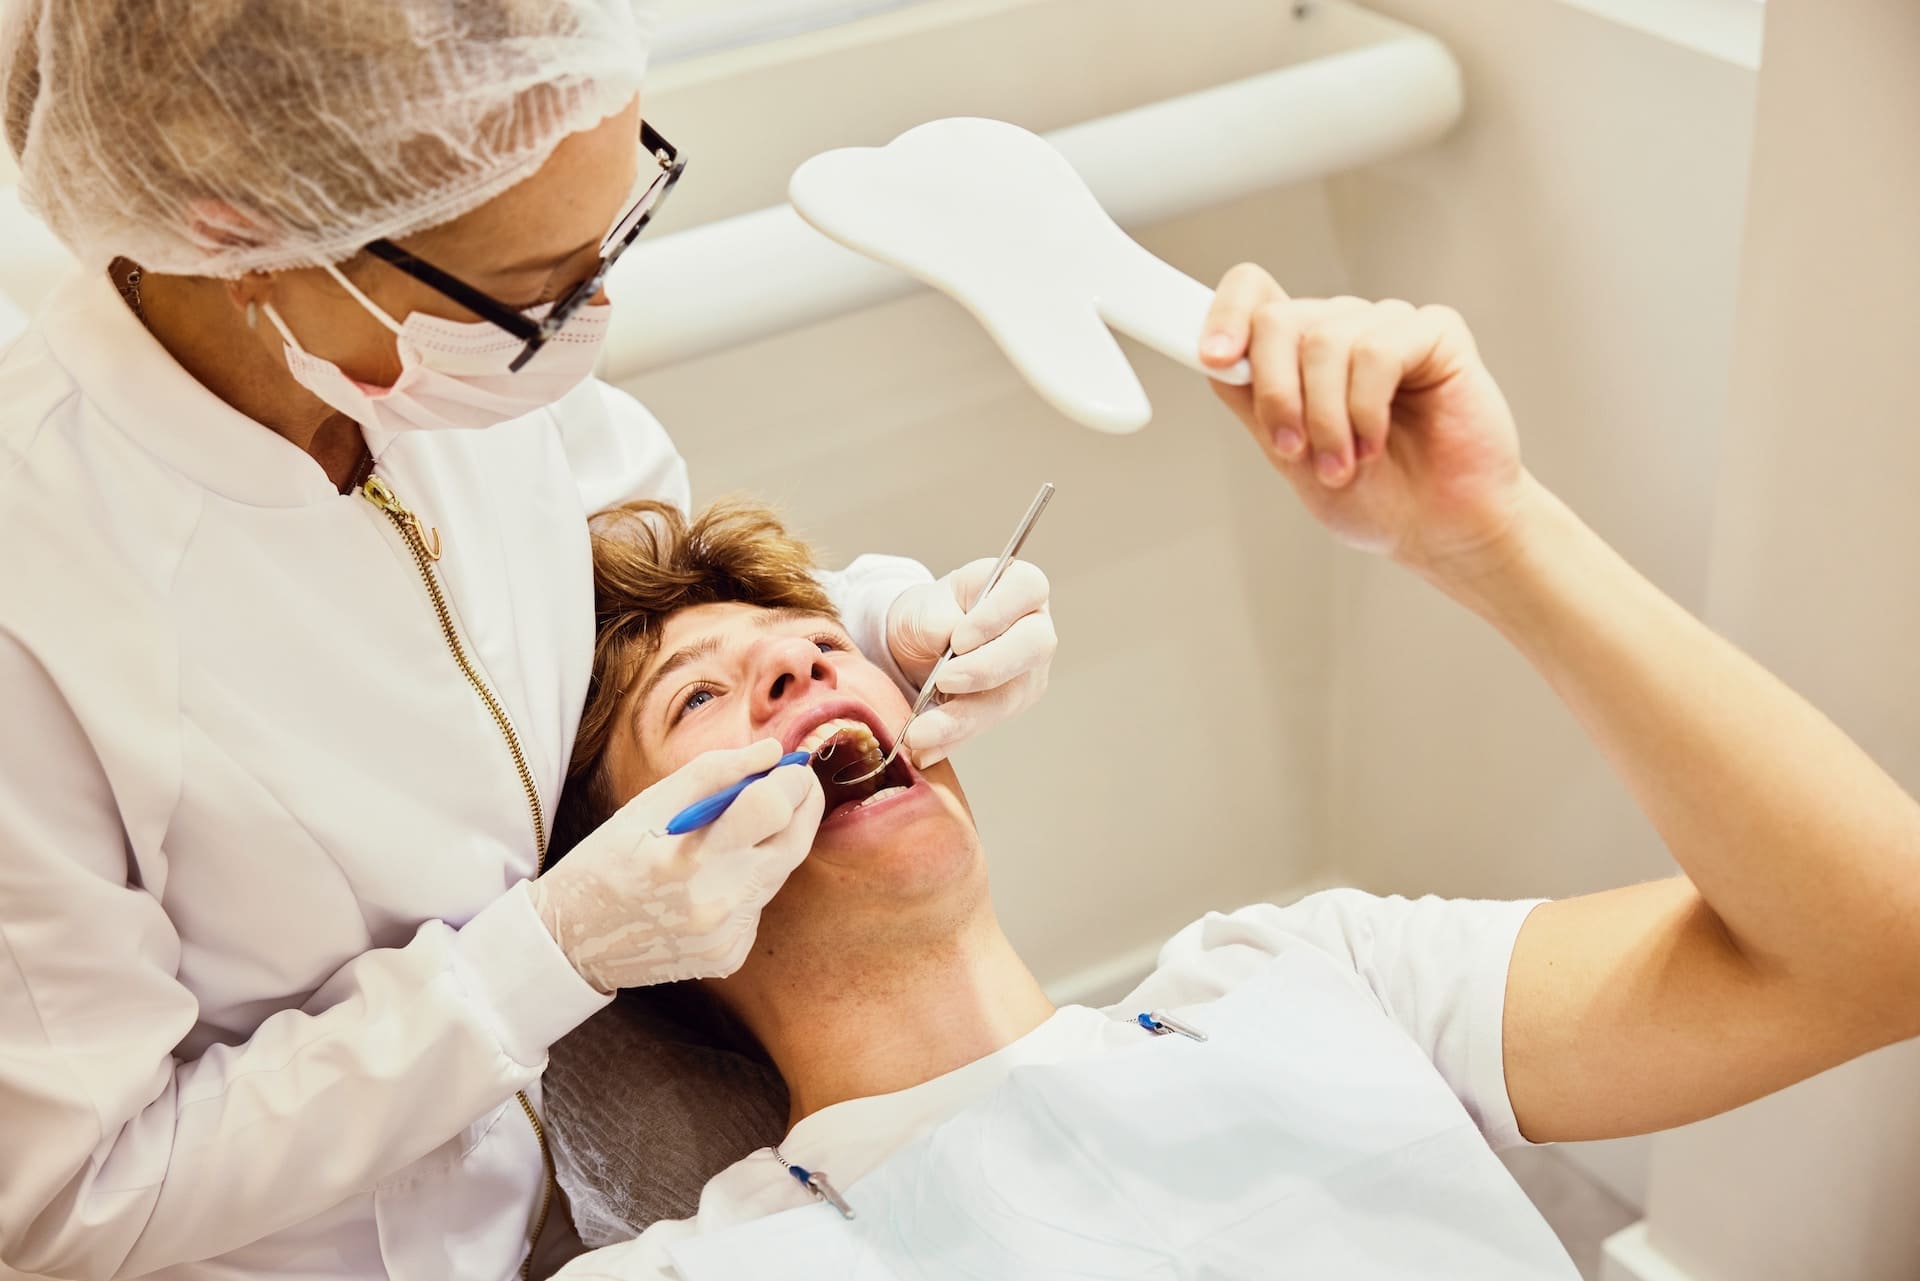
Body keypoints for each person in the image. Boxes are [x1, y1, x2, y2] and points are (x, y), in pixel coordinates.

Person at [535, 283, 1920, 1278]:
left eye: (820, 647)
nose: (799, 675)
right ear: (646, 915)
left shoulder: (1304, 977)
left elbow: (1875, 949)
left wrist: (1488, 533)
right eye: (699, 699)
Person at [0, 4, 1055, 1278]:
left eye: (608, 231)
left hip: (612, 1193)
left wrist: (877, 618)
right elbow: (69, 1202)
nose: (591, 307)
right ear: (245, 237)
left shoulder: (431, 348)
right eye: (532, 293)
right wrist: (539, 965)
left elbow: (619, 584)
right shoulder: (39, 606)